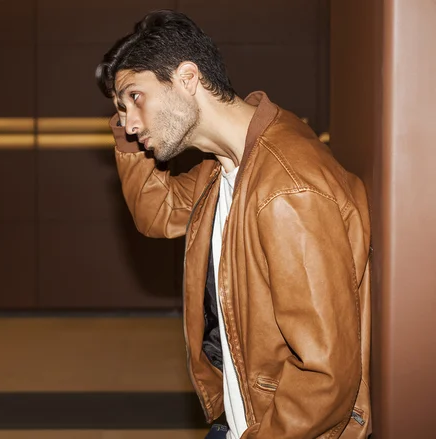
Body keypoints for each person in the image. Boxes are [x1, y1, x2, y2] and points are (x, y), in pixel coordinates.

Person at [95, 9, 372, 439]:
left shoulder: (285, 188)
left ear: (188, 78)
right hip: (242, 420)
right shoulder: (225, 167)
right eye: (120, 111)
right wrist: (126, 127)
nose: (129, 123)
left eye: (135, 98)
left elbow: (325, 375)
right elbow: (159, 212)